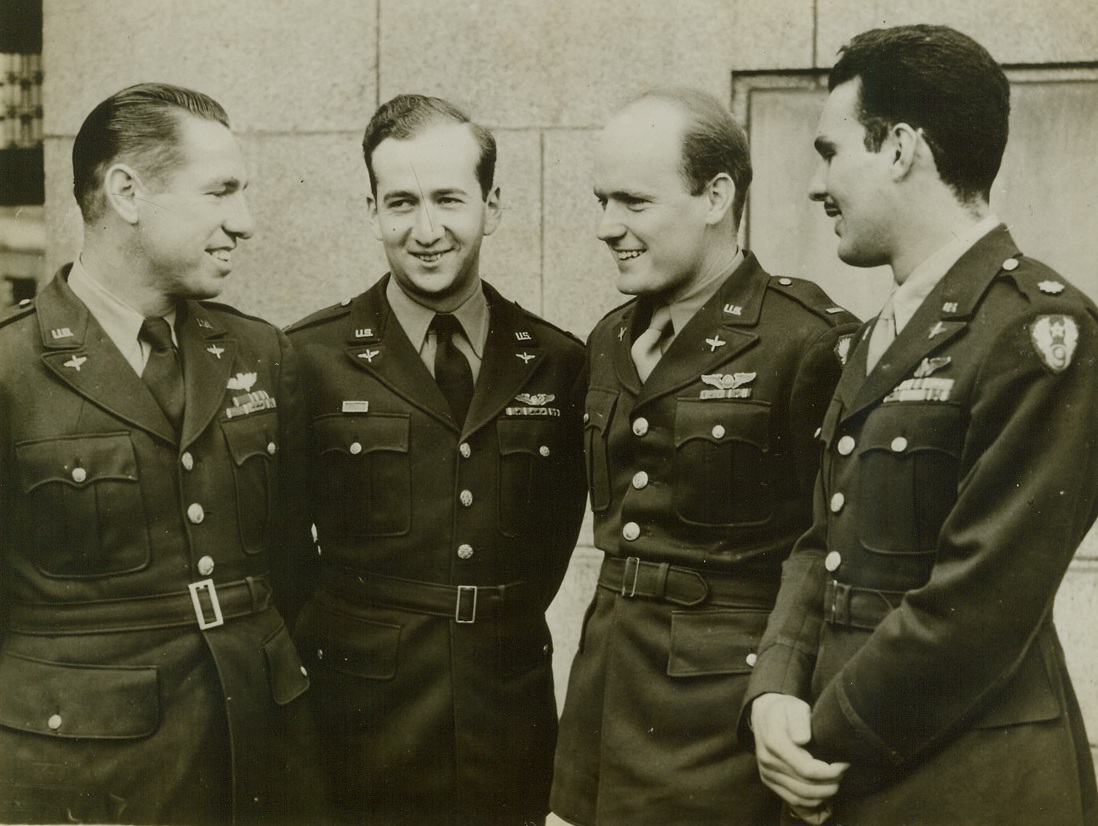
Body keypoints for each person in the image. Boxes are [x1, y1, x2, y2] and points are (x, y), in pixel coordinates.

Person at [743, 24, 1098, 825]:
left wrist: (817, 736)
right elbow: (818, 543)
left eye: (830, 152)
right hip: (846, 768)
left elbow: (981, 602)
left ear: (901, 148)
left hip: (964, 781)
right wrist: (770, 693)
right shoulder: (880, 335)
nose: (814, 184)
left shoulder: (1039, 333)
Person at [0, 83, 324, 824]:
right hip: (88, 772)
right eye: (221, 192)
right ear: (127, 192)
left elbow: (292, 568)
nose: (243, 223)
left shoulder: (258, 352)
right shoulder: (12, 372)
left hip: (255, 752)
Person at [549, 87, 858, 825]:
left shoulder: (806, 342)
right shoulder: (608, 339)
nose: (606, 227)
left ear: (716, 195)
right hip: (602, 708)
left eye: (633, 202)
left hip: (725, 728)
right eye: (600, 201)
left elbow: (831, 557)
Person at [285, 93, 587, 826]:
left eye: (449, 200)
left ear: (492, 204)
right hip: (358, 717)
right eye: (401, 203)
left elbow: (547, 547)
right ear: (371, 209)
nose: (426, 231)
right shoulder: (308, 358)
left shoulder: (555, 361)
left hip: (505, 708)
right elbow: (282, 552)